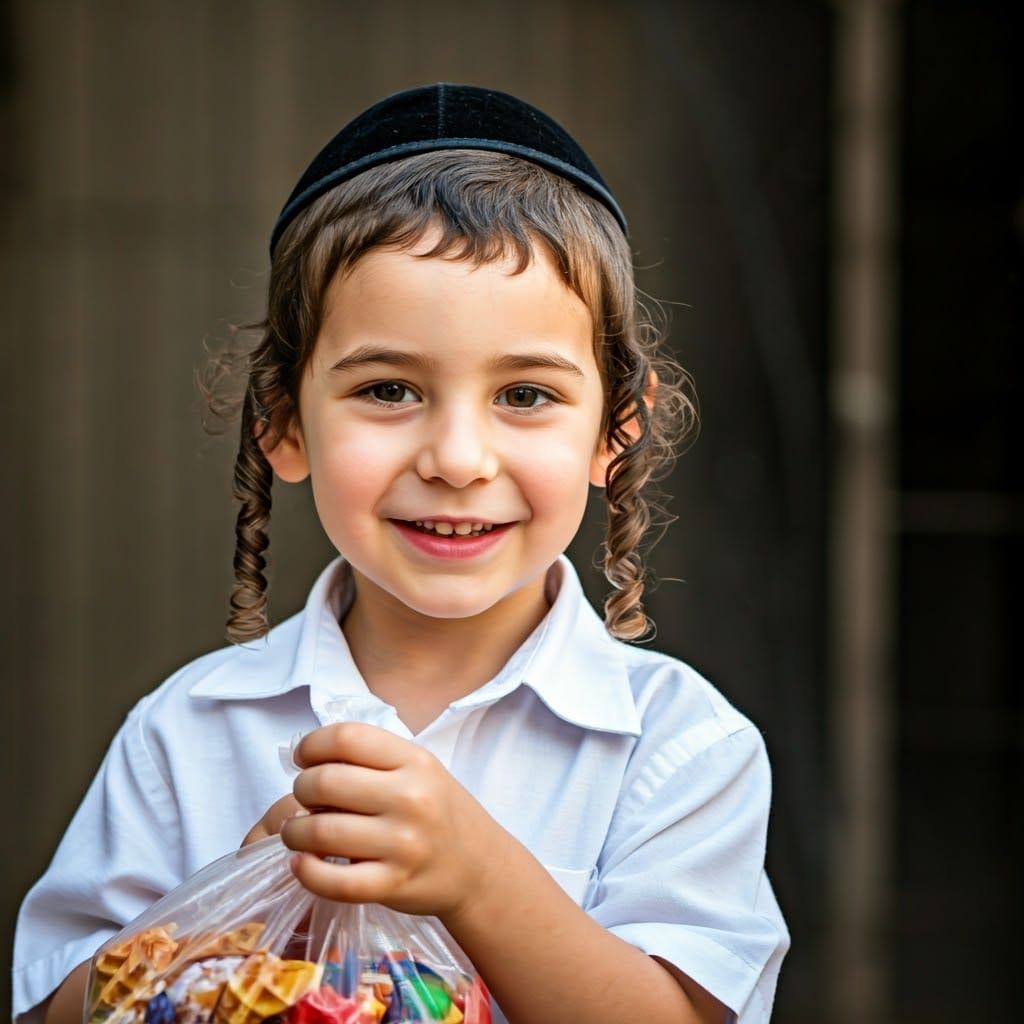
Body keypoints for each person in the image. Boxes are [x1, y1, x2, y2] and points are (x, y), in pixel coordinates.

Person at [13, 84, 789, 1024]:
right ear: (282, 426)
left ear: (616, 429)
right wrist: (232, 907)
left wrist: (477, 878)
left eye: (527, 395)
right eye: (388, 390)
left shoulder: (677, 749)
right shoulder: (186, 734)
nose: (457, 460)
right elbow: (56, 1007)